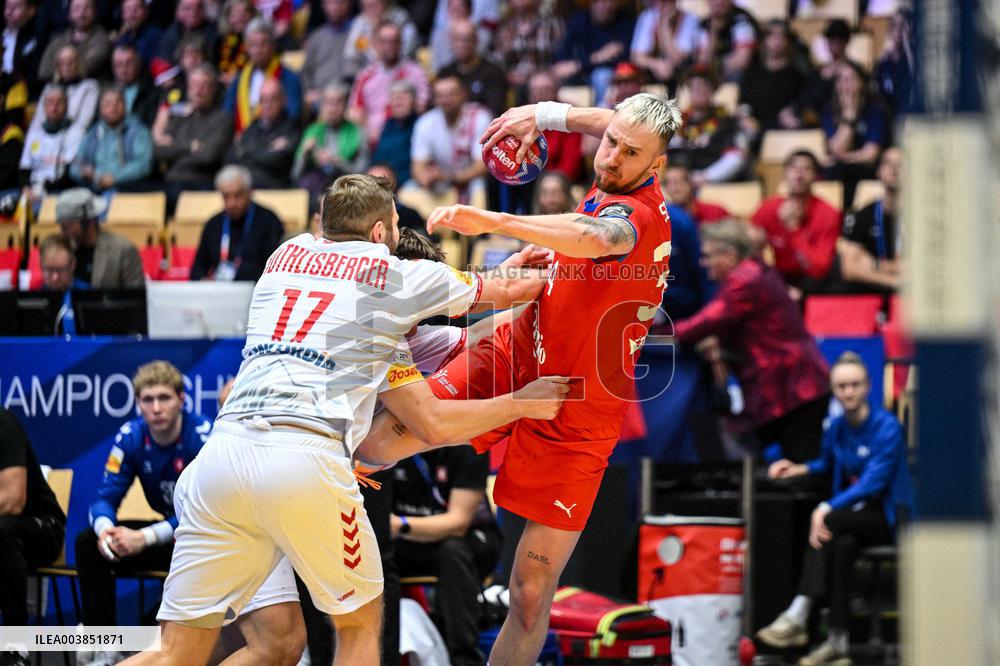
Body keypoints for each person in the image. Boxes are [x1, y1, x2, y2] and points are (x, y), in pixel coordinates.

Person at [121, 174, 567, 666]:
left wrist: (504, 279)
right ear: (379, 232)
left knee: (213, 649)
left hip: (221, 459)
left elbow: (472, 334)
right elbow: (438, 415)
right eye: (394, 224)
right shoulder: (395, 281)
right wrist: (522, 401)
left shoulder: (285, 254)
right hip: (303, 460)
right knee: (358, 625)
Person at [360, 92, 678, 665]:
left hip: (577, 413)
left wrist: (492, 221)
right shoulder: (618, 154)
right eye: (610, 142)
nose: (611, 157)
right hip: (517, 347)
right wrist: (545, 114)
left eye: (630, 153)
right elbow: (608, 122)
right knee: (378, 445)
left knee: (530, 596)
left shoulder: (639, 217)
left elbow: (594, 237)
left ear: (655, 165)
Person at [757, 351, 913, 666]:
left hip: (886, 517)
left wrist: (825, 508)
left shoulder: (888, 428)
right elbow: (826, 463)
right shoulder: (837, 427)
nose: (848, 392)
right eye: (841, 386)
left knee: (830, 522)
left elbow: (872, 483)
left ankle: (799, 613)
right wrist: (798, 468)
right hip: (850, 521)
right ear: (833, 390)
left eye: (855, 385)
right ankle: (838, 643)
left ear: (868, 386)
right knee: (841, 545)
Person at [75, 361, 211, 665]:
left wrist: (144, 537)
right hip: (168, 537)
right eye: (148, 400)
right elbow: (104, 499)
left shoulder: (202, 437)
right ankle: (103, 647)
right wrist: (106, 532)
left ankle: (142, 649)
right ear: (138, 403)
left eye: (164, 398)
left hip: (202, 539)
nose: (156, 408)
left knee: (161, 620)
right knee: (89, 543)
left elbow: (204, 511)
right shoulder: (131, 437)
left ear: (181, 400)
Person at [672, 219, 830, 462]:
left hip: (793, 388)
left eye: (708, 256)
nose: (703, 263)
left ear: (729, 255)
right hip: (789, 386)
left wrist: (657, 333)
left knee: (799, 465)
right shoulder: (753, 271)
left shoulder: (745, 279)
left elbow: (708, 321)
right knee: (752, 450)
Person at [391, 444, 501, 666]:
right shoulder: (388, 444)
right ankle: (382, 653)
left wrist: (398, 525)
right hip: (406, 541)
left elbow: (458, 523)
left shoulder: (469, 445)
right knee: (373, 553)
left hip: (468, 539)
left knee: (453, 552)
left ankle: (464, 659)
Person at [0, 408, 66, 641]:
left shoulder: (4, 423)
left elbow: (12, 501)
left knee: (2, 529)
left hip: (42, 527)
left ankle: (14, 644)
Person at [751, 150, 842, 294]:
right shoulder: (768, 209)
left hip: (813, 279)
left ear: (815, 176)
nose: (799, 175)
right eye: (794, 168)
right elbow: (748, 248)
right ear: (785, 174)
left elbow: (819, 268)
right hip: (779, 276)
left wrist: (794, 230)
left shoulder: (828, 213)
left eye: (807, 169)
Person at [153, 63, 233, 213]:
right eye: (194, 85)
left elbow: (209, 156)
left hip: (200, 184)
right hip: (170, 182)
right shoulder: (181, 117)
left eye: (204, 86)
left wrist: (175, 149)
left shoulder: (223, 119)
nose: (198, 91)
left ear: (213, 89)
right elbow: (158, 151)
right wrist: (189, 147)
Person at [405, 74, 491, 205]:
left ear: (463, 94)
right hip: (439, 185)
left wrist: (449, 177)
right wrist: (425, 178)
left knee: (478, 186)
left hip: (467, 181)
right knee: (407, 192)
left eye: (451, 94)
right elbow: (417, 166)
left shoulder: (479, 117)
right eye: (440, 95)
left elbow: (483, 166)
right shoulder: (425, 122)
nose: (446, 100)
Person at [189, 165, 285, 282]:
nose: (232, 203)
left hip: (255, 288)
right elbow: (197, 271)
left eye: (238, 195)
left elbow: (276, 269)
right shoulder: (213, 225)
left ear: (249, 192)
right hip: (220, 290)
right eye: (226, 196)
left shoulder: (269, 221)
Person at [348, 20, 430, 148]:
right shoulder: (365, 75)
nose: (389, 46)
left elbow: (421, 108)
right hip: (371, 139)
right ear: (375, 44)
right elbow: (355, 112)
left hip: (405, 136)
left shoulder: (415, 72)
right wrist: (368, 131)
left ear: (401, 44)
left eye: (393, 41)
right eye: (384, 42)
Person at [667, 64, 749, 187]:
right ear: (688, 91)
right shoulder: (676, 122)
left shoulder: (726, 120)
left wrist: (706, 176)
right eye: (695, 87)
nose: (699, 91)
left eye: (705, 86)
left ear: (713, 90)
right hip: (678, 183)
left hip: (714, 183)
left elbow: (736, 157)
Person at [820, 62, 887, 208]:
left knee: (844, 170)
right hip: (840, 172)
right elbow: (838, 148)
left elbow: (870, 155)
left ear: (862, 83)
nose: (846, 84)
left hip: (868, 170)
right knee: (836, 172)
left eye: (851, 79)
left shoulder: (875, 110)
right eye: (841, 79)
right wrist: (849, 116)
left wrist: (840, 158)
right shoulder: (829, 110)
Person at [836, 146, 902, 294]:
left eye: (901, 164)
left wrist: (875, 264)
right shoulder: (860, 215)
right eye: (888, 163)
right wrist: (894, 281)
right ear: (879, 172)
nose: (894, 168)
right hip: (873, 290)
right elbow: (849, 269)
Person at [54, 187, 146, 288]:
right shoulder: (63, 249)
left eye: (67, 226)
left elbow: (136, 295)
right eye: (61, 226)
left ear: (89, 223)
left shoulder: (123, 251)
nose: (62, 232)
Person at [224, 18, 302, 135]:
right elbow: (227, 112)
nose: (258, 50)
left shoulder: (288, 77)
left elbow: (293, 114)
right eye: (253, 45)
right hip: (242, 137)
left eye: (263, 44)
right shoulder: (240, 78)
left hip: (275, 134)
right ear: (247, 48)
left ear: (273, 46)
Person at [71, 86, 154, 193]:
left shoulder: (138, 131)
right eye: (107, 103)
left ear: (125, 106)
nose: (113, 108)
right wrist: (83, 173)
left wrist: (115, 177)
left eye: (118, 102)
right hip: (93, 186)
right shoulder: (92, 133)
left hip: (126, 188)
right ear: (100, 108)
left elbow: (144, 164)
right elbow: (76, 163)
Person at [551, 0, 635, 107]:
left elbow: (627, 58)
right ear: (591, 3)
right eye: (600, 1)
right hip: (581, 75)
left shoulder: (626, 22)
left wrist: (581, 63)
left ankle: (603, 113)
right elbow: (561, 62)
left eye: (610, 1)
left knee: (602, 75)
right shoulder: (578, 22)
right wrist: (596, 58)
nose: (606, 5)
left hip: (616, 76)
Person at [294, 83, 367, 197]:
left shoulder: (358, 133)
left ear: (346, 106)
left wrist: (336, 161)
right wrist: (304, 155)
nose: (333, 109)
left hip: (347, 189)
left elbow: (363, 174)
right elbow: (295, 175)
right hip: (316, 189)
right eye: (328, 103)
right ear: (322, 106)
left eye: (338, 103)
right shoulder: (312, 131)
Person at [226, 78, 300, 189]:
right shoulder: (252, 128)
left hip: (274, 187)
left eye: (273, 99)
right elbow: (231, 157)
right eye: (263, 99)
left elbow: (279, 161)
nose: (267, 104)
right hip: (247, 185)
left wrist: (248, 152)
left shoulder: (291, 128)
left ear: (283, 100)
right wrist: (267, 150)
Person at [738, 19, 811, 132]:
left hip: (782, 128)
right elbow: (743, 102)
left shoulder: (796, 74)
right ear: (764, 40)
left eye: (782, 36)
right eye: (772, 35)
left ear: (788, 41)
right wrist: (745, 116)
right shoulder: (752, 71)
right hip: (753, 128)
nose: (777, 40)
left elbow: (802, 103)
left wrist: (793, 113)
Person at [18, 85, 83, 199]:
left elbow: (69, 173)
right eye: (50, 102)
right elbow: (24, 167)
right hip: (32, 187)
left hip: (59, 189)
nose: (54, 107)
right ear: (44, 106)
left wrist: (42, 190)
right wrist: (25, 188)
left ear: (66, 106)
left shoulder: (76, 132)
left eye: (59, 102)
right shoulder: (34, 132)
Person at [437, 18, 507, 117]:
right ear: (451, 42)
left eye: (467, 39)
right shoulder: (445, 74)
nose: (462, 45)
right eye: (457, 40)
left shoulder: (493, 73)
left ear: (476, 40)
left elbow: (495, 111)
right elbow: (437, 111)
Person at [493, 0, 564, 92]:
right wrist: (507, 75)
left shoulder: (552, 25)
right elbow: (498, 61)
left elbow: (561, 62)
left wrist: (539, 76)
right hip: (512, 84)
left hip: (543, 83)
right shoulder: (506, 28)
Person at [630, 0, 701, 88]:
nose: (663, 5)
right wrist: (657, 64)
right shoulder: (648, 16)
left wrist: (664, 25)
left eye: (668, 1)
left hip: (681, 74)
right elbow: (636, 57)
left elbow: (678, 59)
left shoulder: (689, 19)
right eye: (660, 1)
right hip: (654, 72)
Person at [37, 0, 110, 81]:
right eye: (77, 8)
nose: (81, 14)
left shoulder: (102, 38)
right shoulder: (59, 39)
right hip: (58, 85)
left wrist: (61, 68)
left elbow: (88, 66)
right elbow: (44, 70)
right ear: (69, 13)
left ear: (95, 12)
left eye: (87, 8)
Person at [300, 0, 352, 108]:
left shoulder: (357, 34)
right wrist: (309, 89)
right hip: (320, 96)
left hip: (348, 95)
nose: (335, 7)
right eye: (330, 3)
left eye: (339, 3)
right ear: (323, 5)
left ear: (348, 4)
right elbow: (307, 70)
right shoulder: (316, 37)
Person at [694, 0, 757, 81]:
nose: (718, 2)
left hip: (741, 78)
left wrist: (715, 69)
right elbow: (702, 62)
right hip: (713, 76)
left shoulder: (742, 20)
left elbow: (742, 61)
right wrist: (714, 33)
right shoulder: (703, 24)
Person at [371, 81, 419, 187]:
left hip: (408, 182)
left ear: (414, 101)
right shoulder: (388, 124)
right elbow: (378, 158)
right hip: (383, 180)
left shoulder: (420, 125)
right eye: (394, 98)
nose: (398, 102)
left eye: (403, 98)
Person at [662, 164, 730, 225]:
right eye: (668, 183)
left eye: (679, 181)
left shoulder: (716, 211)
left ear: (690, 184)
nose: (674, 188)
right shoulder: (663, 219)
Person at [111, 44, 161, 127]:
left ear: (138, 64)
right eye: (118, 65)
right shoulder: (110, 92)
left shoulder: (152, 91)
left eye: (129, 63)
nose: (123, 70)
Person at [115, 0, 164, 70]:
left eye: (137, 8)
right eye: (128, 9)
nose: (132, 14)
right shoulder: (125, 36)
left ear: (146, 11)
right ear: (123, 14)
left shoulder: (156, 36)